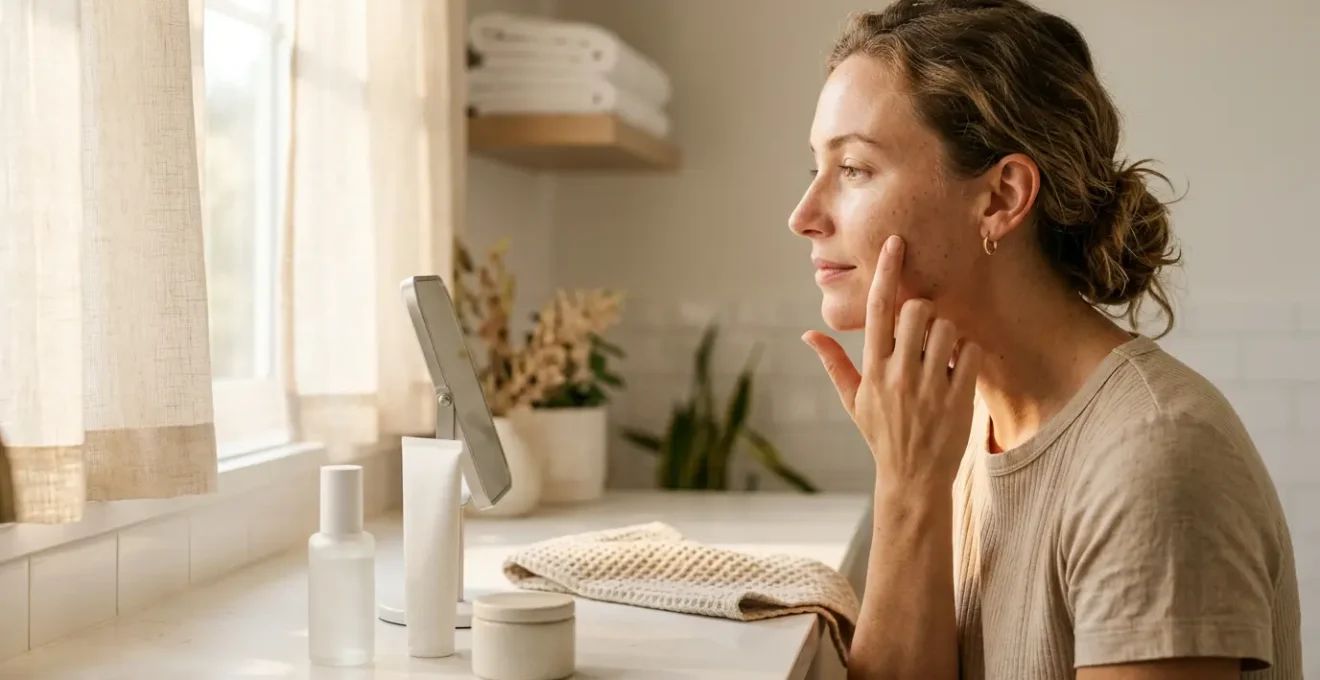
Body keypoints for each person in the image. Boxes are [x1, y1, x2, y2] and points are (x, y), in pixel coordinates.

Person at [790, 1, 1303, 679]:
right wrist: (907, 486)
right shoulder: (962, 422)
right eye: (814, 170)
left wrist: (911, 488)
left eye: (853, 169)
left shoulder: (1155, 457)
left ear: (1001, 197)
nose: (804, 216)